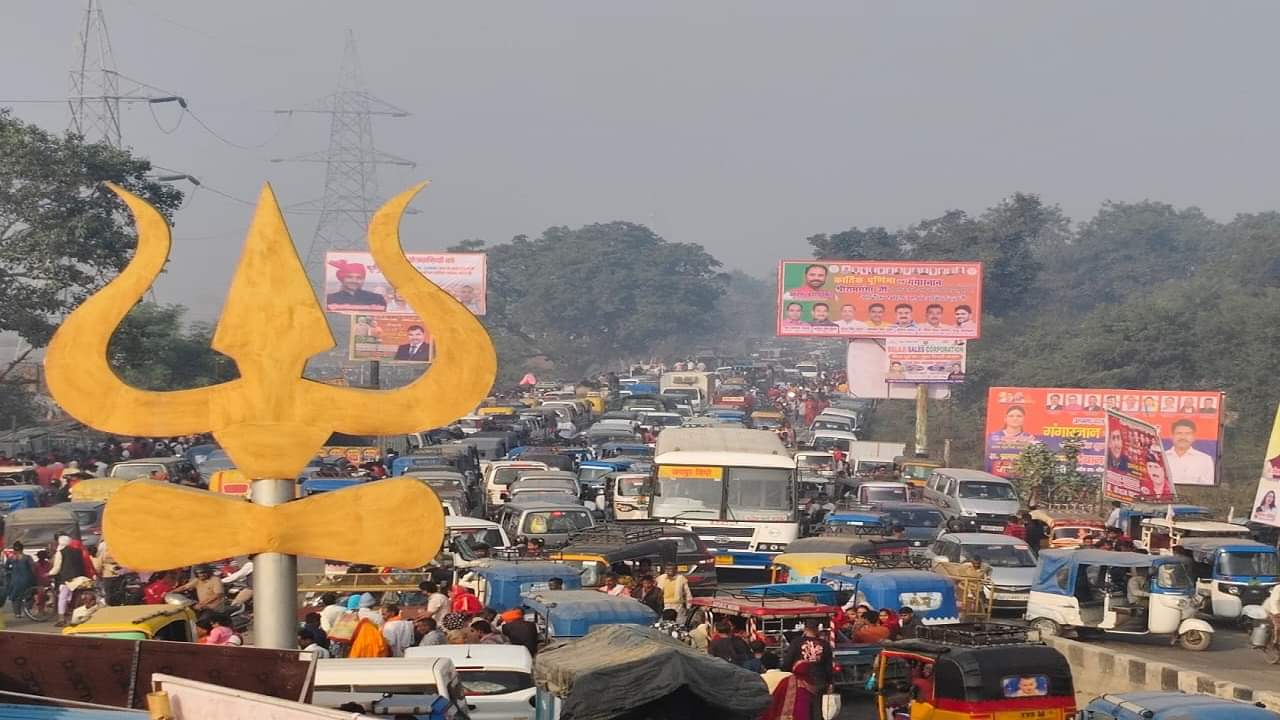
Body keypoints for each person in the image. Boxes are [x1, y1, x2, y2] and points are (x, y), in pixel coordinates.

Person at [781, 619, 834, 693]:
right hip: (819, 680)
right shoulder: (825, 644)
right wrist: (830, 682)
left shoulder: (796, 642)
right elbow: (828, 665)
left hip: (800, 681)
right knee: (818, 703)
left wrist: (785, 674)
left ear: (805, 629)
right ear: (817, 629)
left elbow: (788, 661)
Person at [1164, 418, 1215, 485]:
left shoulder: (1205, 459)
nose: (1183, 437)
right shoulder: (1161, 457)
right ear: (1172, 436)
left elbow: (1207, 488)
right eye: (1179, 433)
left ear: (1194, 437)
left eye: (1187, 433)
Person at [3, 542, 35, 619]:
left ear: (14, 549)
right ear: (22, 549)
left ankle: (17, 613)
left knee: (15, 597)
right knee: (29, 595)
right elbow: (33, 568)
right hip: (27, 579)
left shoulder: (11, 558)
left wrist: (11, 571)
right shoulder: (27, 557)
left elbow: (6, 568)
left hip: (15, 580)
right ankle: (27, 609)